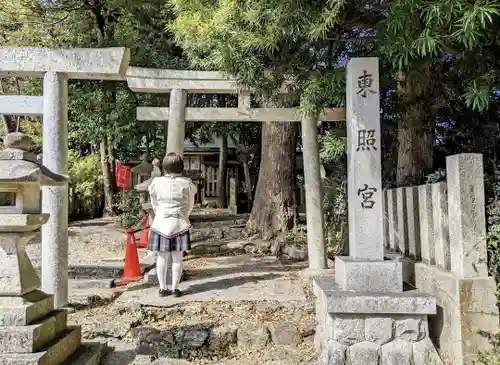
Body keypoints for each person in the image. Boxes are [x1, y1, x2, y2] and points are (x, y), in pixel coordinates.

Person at [148, 152, 197, 297]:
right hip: (179, 223)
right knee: (177, 258)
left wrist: (160, 215)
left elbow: (154, 203)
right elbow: (190, 205)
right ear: (180, 166)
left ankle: (163, 288)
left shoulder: (156, 182)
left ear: (164, 166)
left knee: (161, 258)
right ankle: (175, 288)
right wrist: (183, 216)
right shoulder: (187, 183)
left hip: (160, 222)